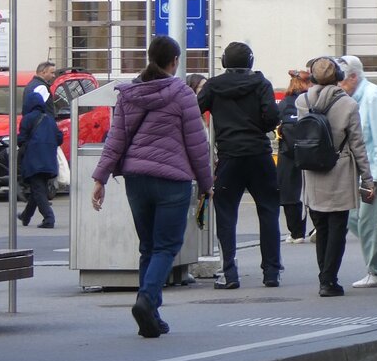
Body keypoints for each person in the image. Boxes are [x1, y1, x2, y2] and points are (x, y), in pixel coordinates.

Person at [90, 35, 213, 338]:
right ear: (174, 61)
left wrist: (100, 178)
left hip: (137, 180)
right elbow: (196, 144)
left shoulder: (130, 93)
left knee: (148, 247)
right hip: (173, 180)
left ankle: (151, 316)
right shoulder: (181, 93)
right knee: (166, 247)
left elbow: (115, 139)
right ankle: (146, 301)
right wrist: (208, 184)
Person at [198, 41, 282, 288]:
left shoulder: (213, 86)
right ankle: (271, 271)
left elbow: (193, 111)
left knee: (226, 214)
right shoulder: (262, 84)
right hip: (259, 154)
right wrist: (259, 127)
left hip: (229, 156)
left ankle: (229, 273)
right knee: (268, 211)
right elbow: (272, 118)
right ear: (251, 62)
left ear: (224, 62)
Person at [298, 56, 372, 296]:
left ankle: (324, 277)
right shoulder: (348, 105)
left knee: (320, 226)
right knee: (337, 227)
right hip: (339, 170)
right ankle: (329, 279)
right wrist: (367, 180)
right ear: (339, 77)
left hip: (312, 171)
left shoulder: (302, 101)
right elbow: (358, 146)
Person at [339, 55, 377, 289]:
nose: (338, 84)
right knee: (355, 219)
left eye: (341, 79)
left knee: (369, 222)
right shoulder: (355, 98)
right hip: (363, 171)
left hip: (375, 172)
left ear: (353, 77)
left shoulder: (372, 97)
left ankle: (376, 271)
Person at [16, 90, 62, 228]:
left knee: (38, 189)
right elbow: (59, 138)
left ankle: (49, 218)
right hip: (49, 159)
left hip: (34, 160)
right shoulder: (49, 119)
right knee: (39, 189)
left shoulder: (28, 118)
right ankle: (26, 215)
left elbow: (21, 139)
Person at [276, 69, 310, 243]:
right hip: (310, 153)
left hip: (288, 154)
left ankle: (296, 233)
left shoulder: (283, 104)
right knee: (310, 193)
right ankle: (317, 229)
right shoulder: (311, 101)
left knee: (290, 195)